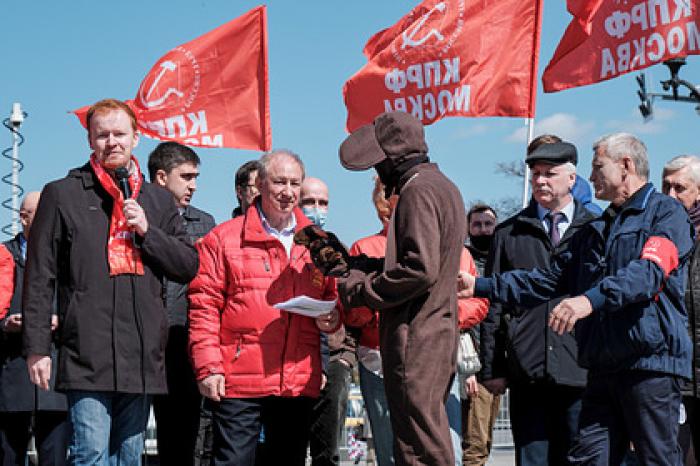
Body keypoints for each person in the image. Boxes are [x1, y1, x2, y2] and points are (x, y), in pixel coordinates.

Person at [462, 132, 694, 465]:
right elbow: (546, 280)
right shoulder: (595, 229)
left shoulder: (666, 215)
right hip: (601, 370)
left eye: (598, 167)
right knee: (588, 459)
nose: (591, 176)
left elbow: (649, 272)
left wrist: (590, 299)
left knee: (655, 459)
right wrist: (479, 286)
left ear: (626, 165)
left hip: (650, 367)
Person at [22, 98, 199, 465]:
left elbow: (186, 265)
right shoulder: (63, 194)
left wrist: (148, 231)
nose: (112, 142)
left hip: (142, 351)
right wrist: (37, 347)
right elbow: (40, 275)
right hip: (87, 348)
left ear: (136, 137)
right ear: (90, 140)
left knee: (129, 456)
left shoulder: (158, 201)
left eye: (120, 133)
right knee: (90, 453)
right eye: (102, 135)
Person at [330, 111, 467, 466]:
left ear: (392, 159)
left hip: (415, 337)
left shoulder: (417, 191)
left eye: (378, 163)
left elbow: (419, 269)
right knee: (425, 434)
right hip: (434, 333)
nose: (376, 172)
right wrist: (366, 266)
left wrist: (360, 289)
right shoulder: (442, 185)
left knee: (417, 443)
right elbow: (423, 263)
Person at [188, 150, 340, 466]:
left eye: (294, 183)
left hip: (296, 380)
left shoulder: (320, 243)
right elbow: (204, 305)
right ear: (260, 184)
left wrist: (332, 319)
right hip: (239, 378)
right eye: (279, 182)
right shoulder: (224, 238)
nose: (287, 192)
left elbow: (334, 301)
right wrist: (209, 366)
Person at [478, 136, 596, 466]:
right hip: (528, 371)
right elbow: (494, 305)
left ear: (572, 178)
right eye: (535, 174)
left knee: (580, 458)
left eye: (549, 173)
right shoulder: (509, 233)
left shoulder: (595, 230)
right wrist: (492, 367)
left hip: (581, 369)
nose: (541, 181)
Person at [147, 142, 216, 466]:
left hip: (183, 344)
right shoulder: (132, 217)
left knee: (183, 441)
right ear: (161, 177)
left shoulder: (205, 224)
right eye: (186, 176)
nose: (194, 185)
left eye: (196, 177)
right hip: (139, 343)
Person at [0, 192, 70, 466]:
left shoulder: (67, 260)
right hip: (11, 376)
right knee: (8, 456)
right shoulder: (3, 257)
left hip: (55, 380)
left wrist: (60, 320)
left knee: (55, 457)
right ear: (23, 217)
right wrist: (5, 323)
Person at [300, 176, 359, 466]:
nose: (316, 208)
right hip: (294, 359)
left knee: (328, 451)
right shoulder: (285, 247)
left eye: (322, 202)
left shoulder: (339, 249)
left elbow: (355, 310)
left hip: (334, 358)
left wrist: (347, 356)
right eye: (309, 201)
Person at [662, 155, 700, 465]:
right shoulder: (656, 234)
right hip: (671, 374)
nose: (671, 196)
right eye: (666, 187)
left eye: (680, 187)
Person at [461, 203, 500, 466]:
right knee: (474, 446)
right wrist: (467, 368)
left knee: (485, 441)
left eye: (488, 224)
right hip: (472, 363)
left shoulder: (503, 260)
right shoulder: (462, 261)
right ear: (468, 228)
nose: (483, 229)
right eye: (477, 224)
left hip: (498, 363)